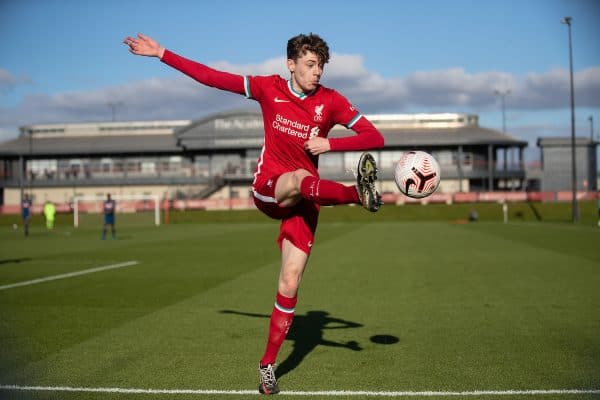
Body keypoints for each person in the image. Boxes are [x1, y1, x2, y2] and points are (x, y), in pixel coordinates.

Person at [124, 32, 385, 395]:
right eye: (310, 65)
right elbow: (211, 77)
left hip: (308, 198)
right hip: (271, 188)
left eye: (321, 66)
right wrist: (162, 53)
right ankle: (358, 195)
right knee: (300, 177)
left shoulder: (332, 101)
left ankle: (266, 366)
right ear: (291, 64)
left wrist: (331, 142)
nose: (317, 72)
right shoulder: (268, 88)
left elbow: (375, 137)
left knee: (289, 283)